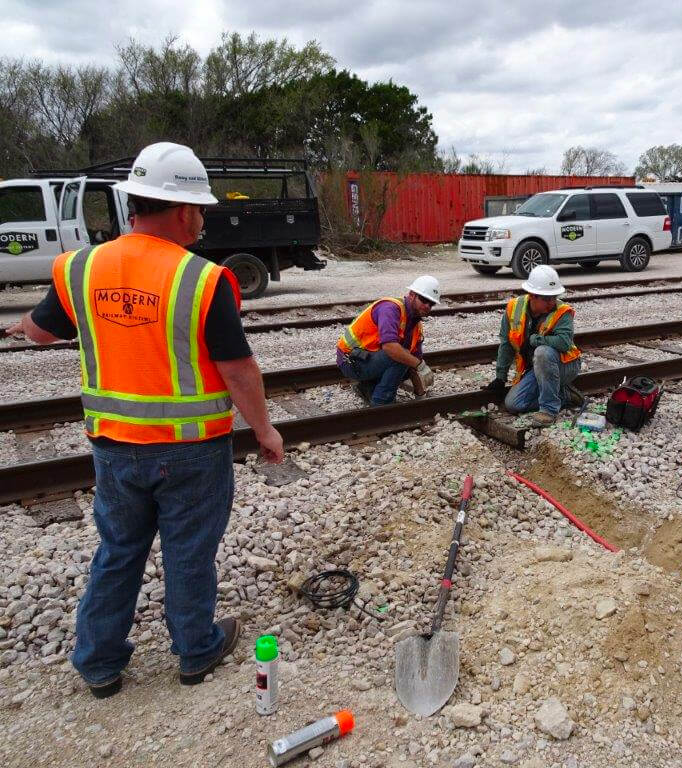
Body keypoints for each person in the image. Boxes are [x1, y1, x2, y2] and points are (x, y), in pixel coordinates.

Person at [4, 142, 284, 698]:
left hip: (114, 447)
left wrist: (23, 329)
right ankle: (195, 651)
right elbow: (238, 369)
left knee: (118, 552)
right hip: (192, 451)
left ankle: (100, 664)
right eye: (200, 209)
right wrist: (264, 429)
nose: (202, 220)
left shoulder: (80, 266)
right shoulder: (201, 279)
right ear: (182, 211)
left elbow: (41, 329)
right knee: (188, 553)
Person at [483, 265, 582, 427]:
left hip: (566, 366)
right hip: (537, 369)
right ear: (532, 296)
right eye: (546, 298)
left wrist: (537, 340)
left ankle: (549, 409)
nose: (552, 302)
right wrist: (500, 377)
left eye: (554, 297)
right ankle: (565, 395)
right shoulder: (514, 308)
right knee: (513, 404)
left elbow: (564, 343)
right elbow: (506, 344)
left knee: (543, 352)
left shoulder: (562, 312)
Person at [336, 276, 439, 406]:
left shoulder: (416, 326)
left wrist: (420, 395)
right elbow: (390, 347)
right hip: (351, 361)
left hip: (367, 359)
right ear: (412, 295)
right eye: (424, 300)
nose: (427, 306)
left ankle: (367, 387)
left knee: (408, 360)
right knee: (400, 355)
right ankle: (382, 403)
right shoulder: (390, 309)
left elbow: (415, 366)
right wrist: (420, 365)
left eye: (432, 303)